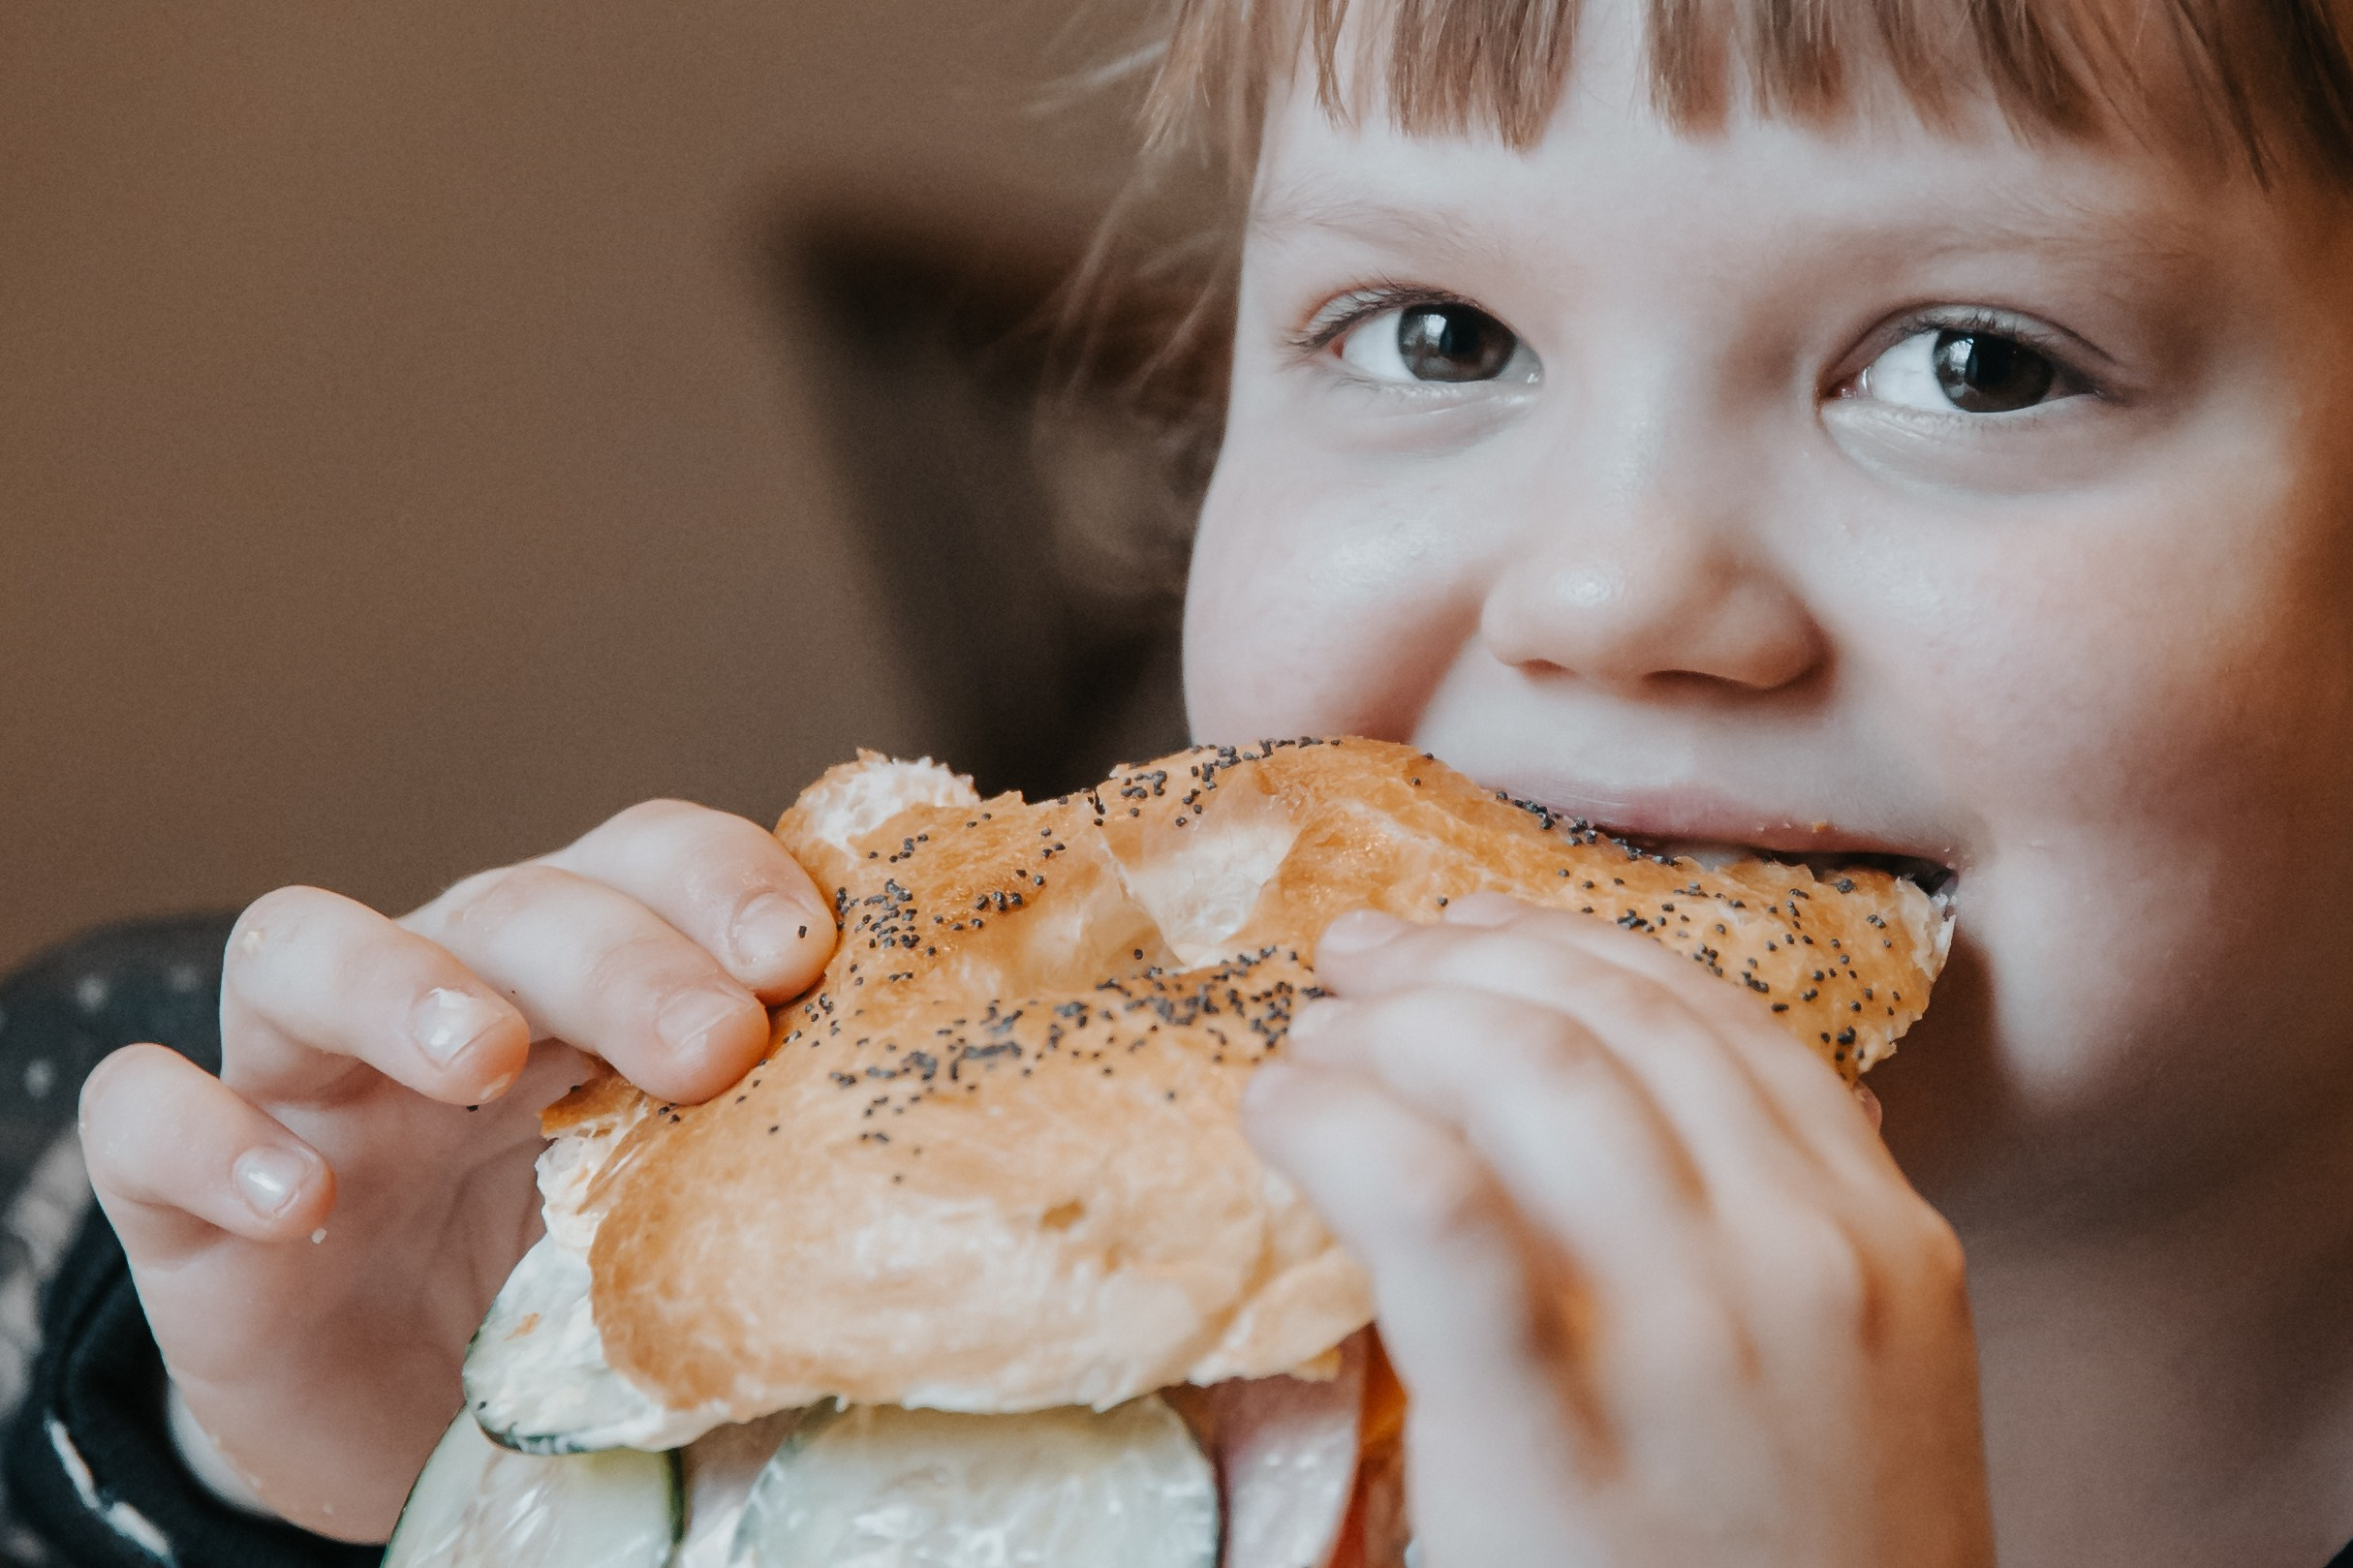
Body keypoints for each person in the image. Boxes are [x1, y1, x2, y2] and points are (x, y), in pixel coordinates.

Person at [13, 0, 2353, 1559]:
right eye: (1435, 333)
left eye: (1975, 362)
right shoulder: (987, 1438)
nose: (1613, 584)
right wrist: (416, 1494)